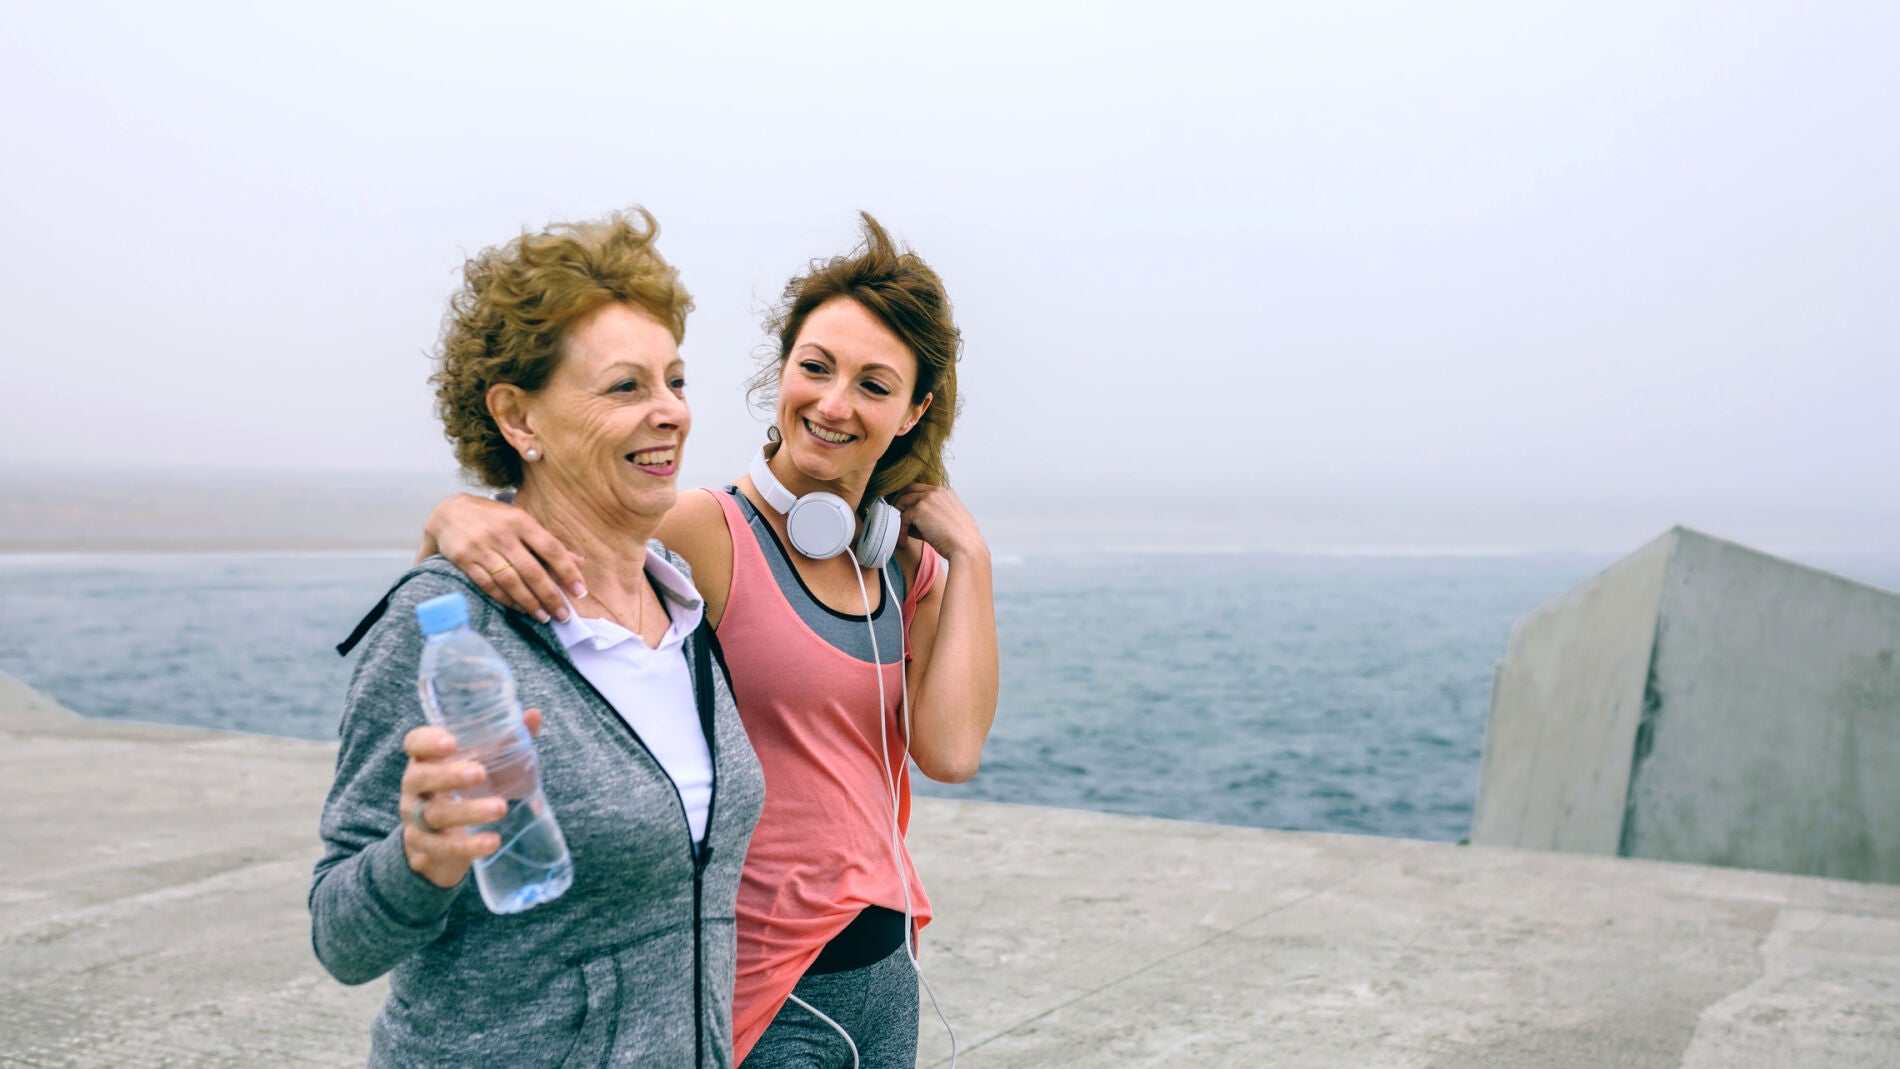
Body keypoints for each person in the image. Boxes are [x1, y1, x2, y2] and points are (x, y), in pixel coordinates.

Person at [419, 213, 999, 1066]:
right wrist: (458, 516)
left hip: (886, 974)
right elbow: (549, 548)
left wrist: (971, 560)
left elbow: (948, 750)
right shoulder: (708, 529)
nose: (834, 403)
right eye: (816, 367)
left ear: (912, 411)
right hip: (766, 989)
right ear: (783, 373)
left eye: (874, 386)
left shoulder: (902, 562)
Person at [311, 209, 765, 1068]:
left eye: (674, 380)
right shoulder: (448, 626)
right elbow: (338, 933)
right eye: (626, 387)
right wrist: (420, 858)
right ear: (520, 418)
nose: (670, 412)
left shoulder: (683, 607)